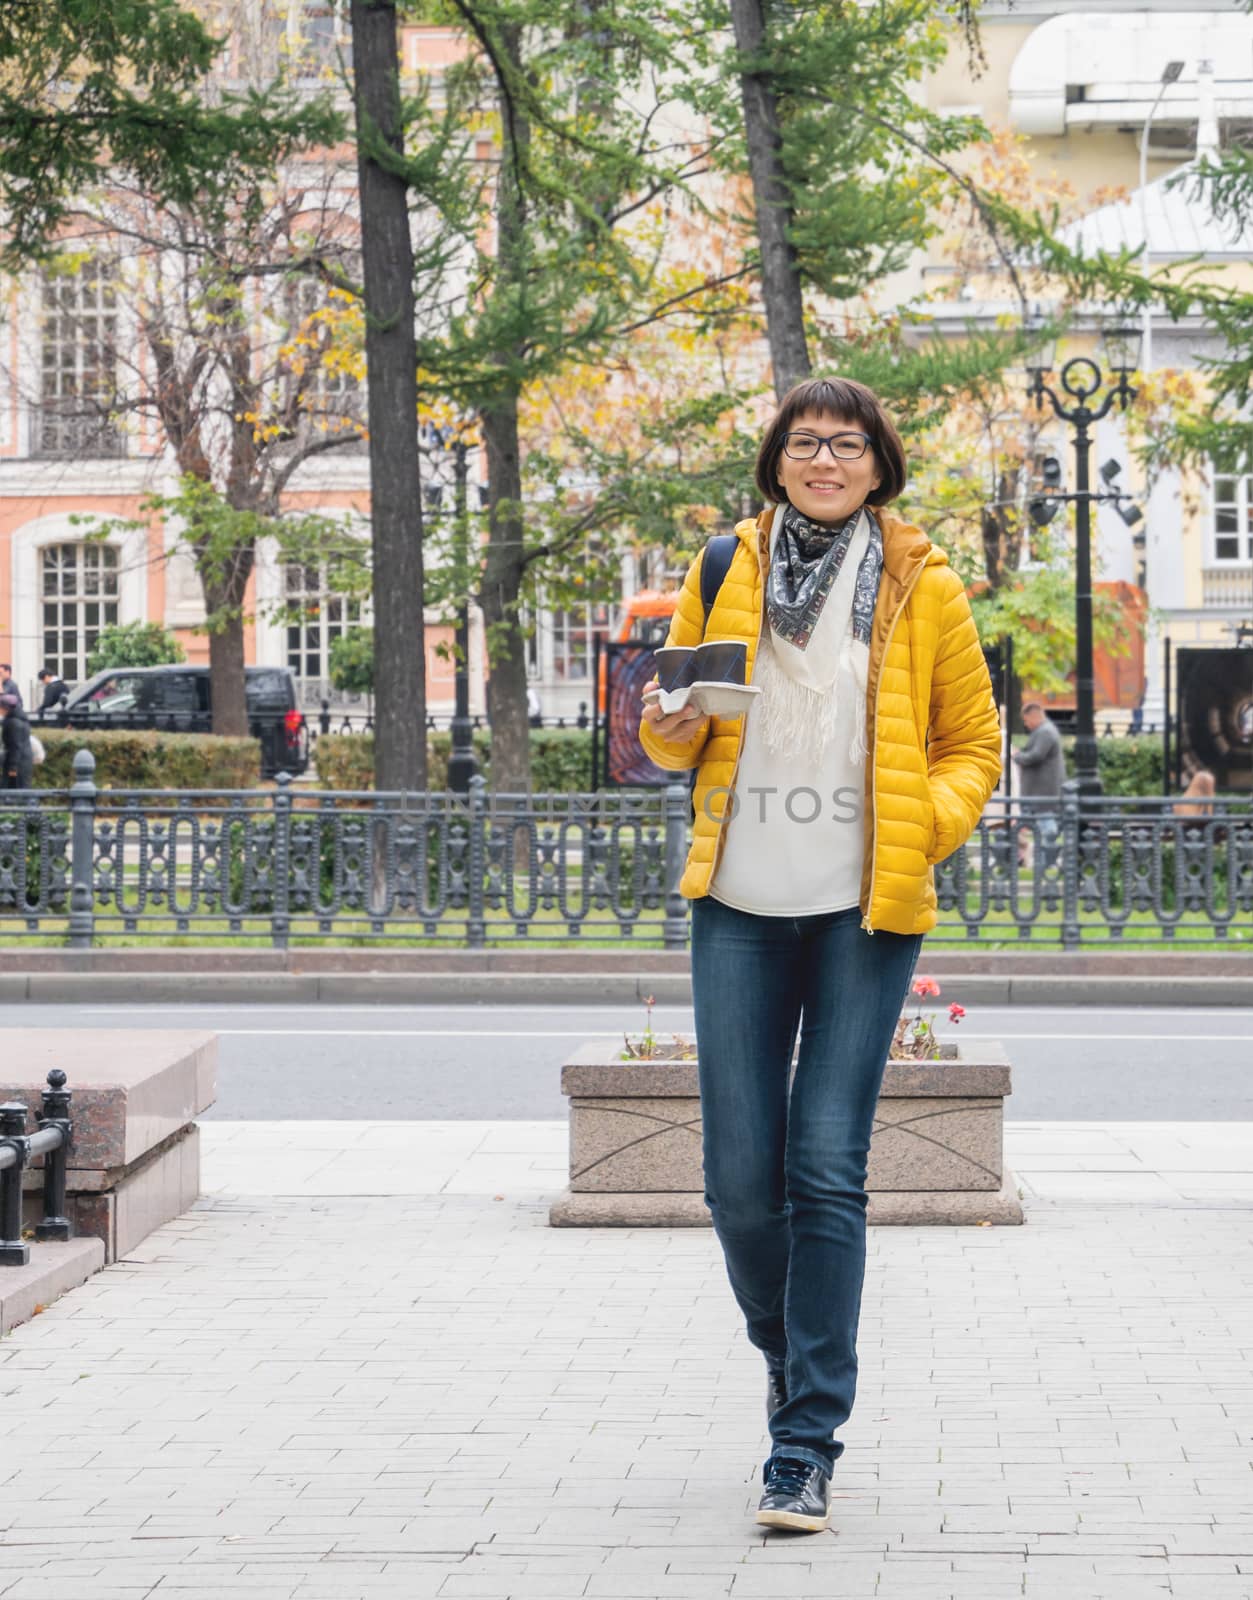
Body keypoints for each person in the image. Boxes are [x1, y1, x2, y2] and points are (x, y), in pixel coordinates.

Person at [638, 376, 1002, 1533]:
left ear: (878, 461)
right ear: (776, 459)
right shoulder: (720, 565)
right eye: (805, 444)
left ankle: (802, 1444)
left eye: (845, 444)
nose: (825, 460)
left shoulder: (922, 583)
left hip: (861, 907)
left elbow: (971, 745)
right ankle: (789, 1361)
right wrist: (672, 724)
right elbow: (665, 724)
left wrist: (919, 824)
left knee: (825, 1166)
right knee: (738, 1179)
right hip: (739, 898)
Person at [1011, 702, 1064, 869]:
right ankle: (1042, 859)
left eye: (1026, 720)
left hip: (1043, 791)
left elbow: (1036, 755)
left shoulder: (1045, 732)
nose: (1026, 724)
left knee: (1046, 825)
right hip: (1041, 792)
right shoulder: (1045, 731)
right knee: (1039, 824)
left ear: (1034, 716)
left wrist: (1017, 756)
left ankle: (1047, 860)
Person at [0, 692, 33, 789]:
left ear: (5, 708)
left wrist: (13, 767)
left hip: (18, 763)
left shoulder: (13, 723)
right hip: (22, 760)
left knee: (16, 792)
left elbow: (15, 746)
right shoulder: (20, 719)